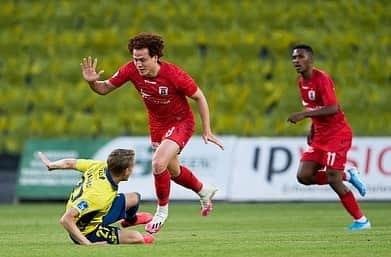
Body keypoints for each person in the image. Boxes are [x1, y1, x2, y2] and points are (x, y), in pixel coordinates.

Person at [80, 33, 224, 234]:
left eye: (143, 59)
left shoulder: (174, 75)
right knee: (172, 171)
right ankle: (203, 190)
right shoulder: (131, 70)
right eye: (135, 59)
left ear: (155, 57)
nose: (138, 64)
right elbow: (104, 89)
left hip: (181, 122)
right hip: (157, 126)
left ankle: (162, 211)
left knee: (157, 163)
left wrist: (207, 129)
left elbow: (199, 97)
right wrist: (92, 82)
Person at [288, 44, 371, 231]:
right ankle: (348, 175)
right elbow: (313, 106)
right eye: (294, 58)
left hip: (337, 134)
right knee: (304, 176)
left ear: (310, 59)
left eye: (300, 57)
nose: (296, 61)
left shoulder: (322, 79)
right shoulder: (301, 82)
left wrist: (303, 116)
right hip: (320, 135)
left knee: (334, 180)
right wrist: (312, 129)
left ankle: (361, 220)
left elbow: (332, 108)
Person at [38, 149, 155, 245]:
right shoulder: (97, 195)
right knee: (137, 238)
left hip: (99, 211)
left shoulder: (99, 166)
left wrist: (52, 165)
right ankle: (95, 236)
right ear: (126, 171)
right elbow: (66, 219)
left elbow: (70, 163)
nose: (133, 170)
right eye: (132, 167)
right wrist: (87, 244)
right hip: (86, 230)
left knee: (134, 198)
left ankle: (130, 220)